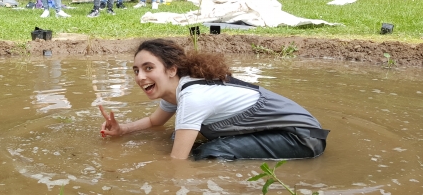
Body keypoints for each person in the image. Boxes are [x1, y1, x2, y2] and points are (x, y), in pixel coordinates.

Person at [99, 39, 328, 160]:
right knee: (175, 135)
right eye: (136, 70)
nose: (140, 77)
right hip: (291, 132)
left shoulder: (192, 96)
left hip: (302, 138)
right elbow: (154, 122)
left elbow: (177, 161)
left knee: (211, 153)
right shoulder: (178, 89)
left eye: (148, 68)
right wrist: (122, 130)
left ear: (171, 70)